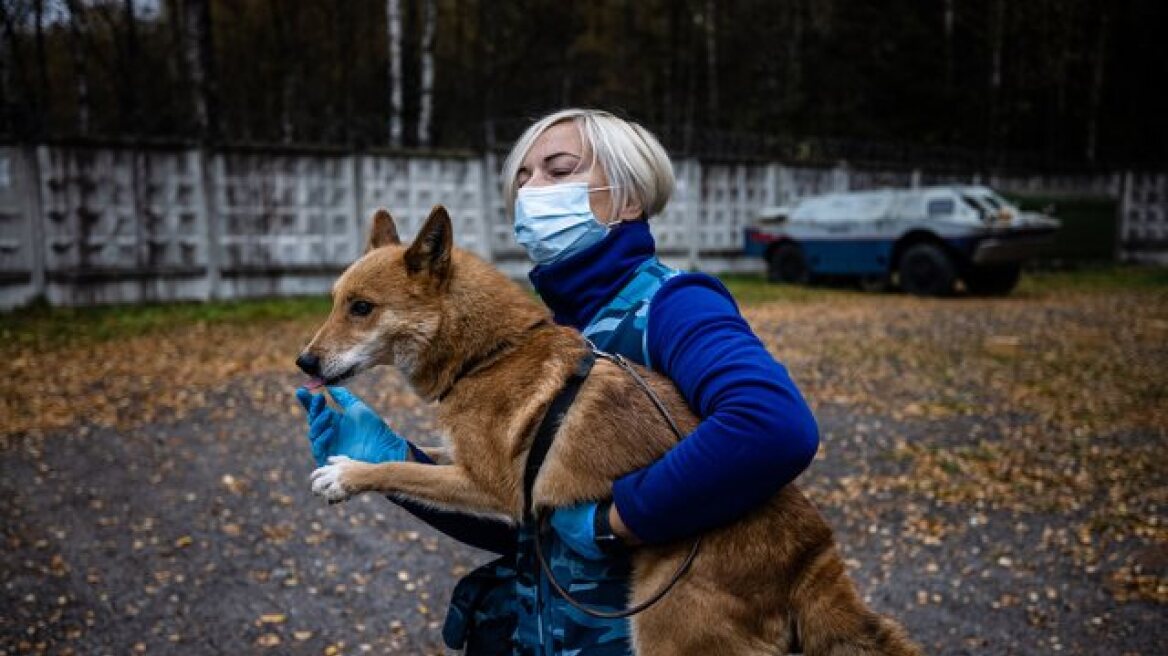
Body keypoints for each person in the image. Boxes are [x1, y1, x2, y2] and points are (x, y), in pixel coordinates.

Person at [295, 108, 820, 655]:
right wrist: (399, 462)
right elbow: (533, 524)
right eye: (522, 177)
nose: (531, 190)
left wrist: (620, 519)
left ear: (629, 198)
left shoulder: (672, 305)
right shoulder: (553, 330)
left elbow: (773, 426)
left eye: (558, 170)